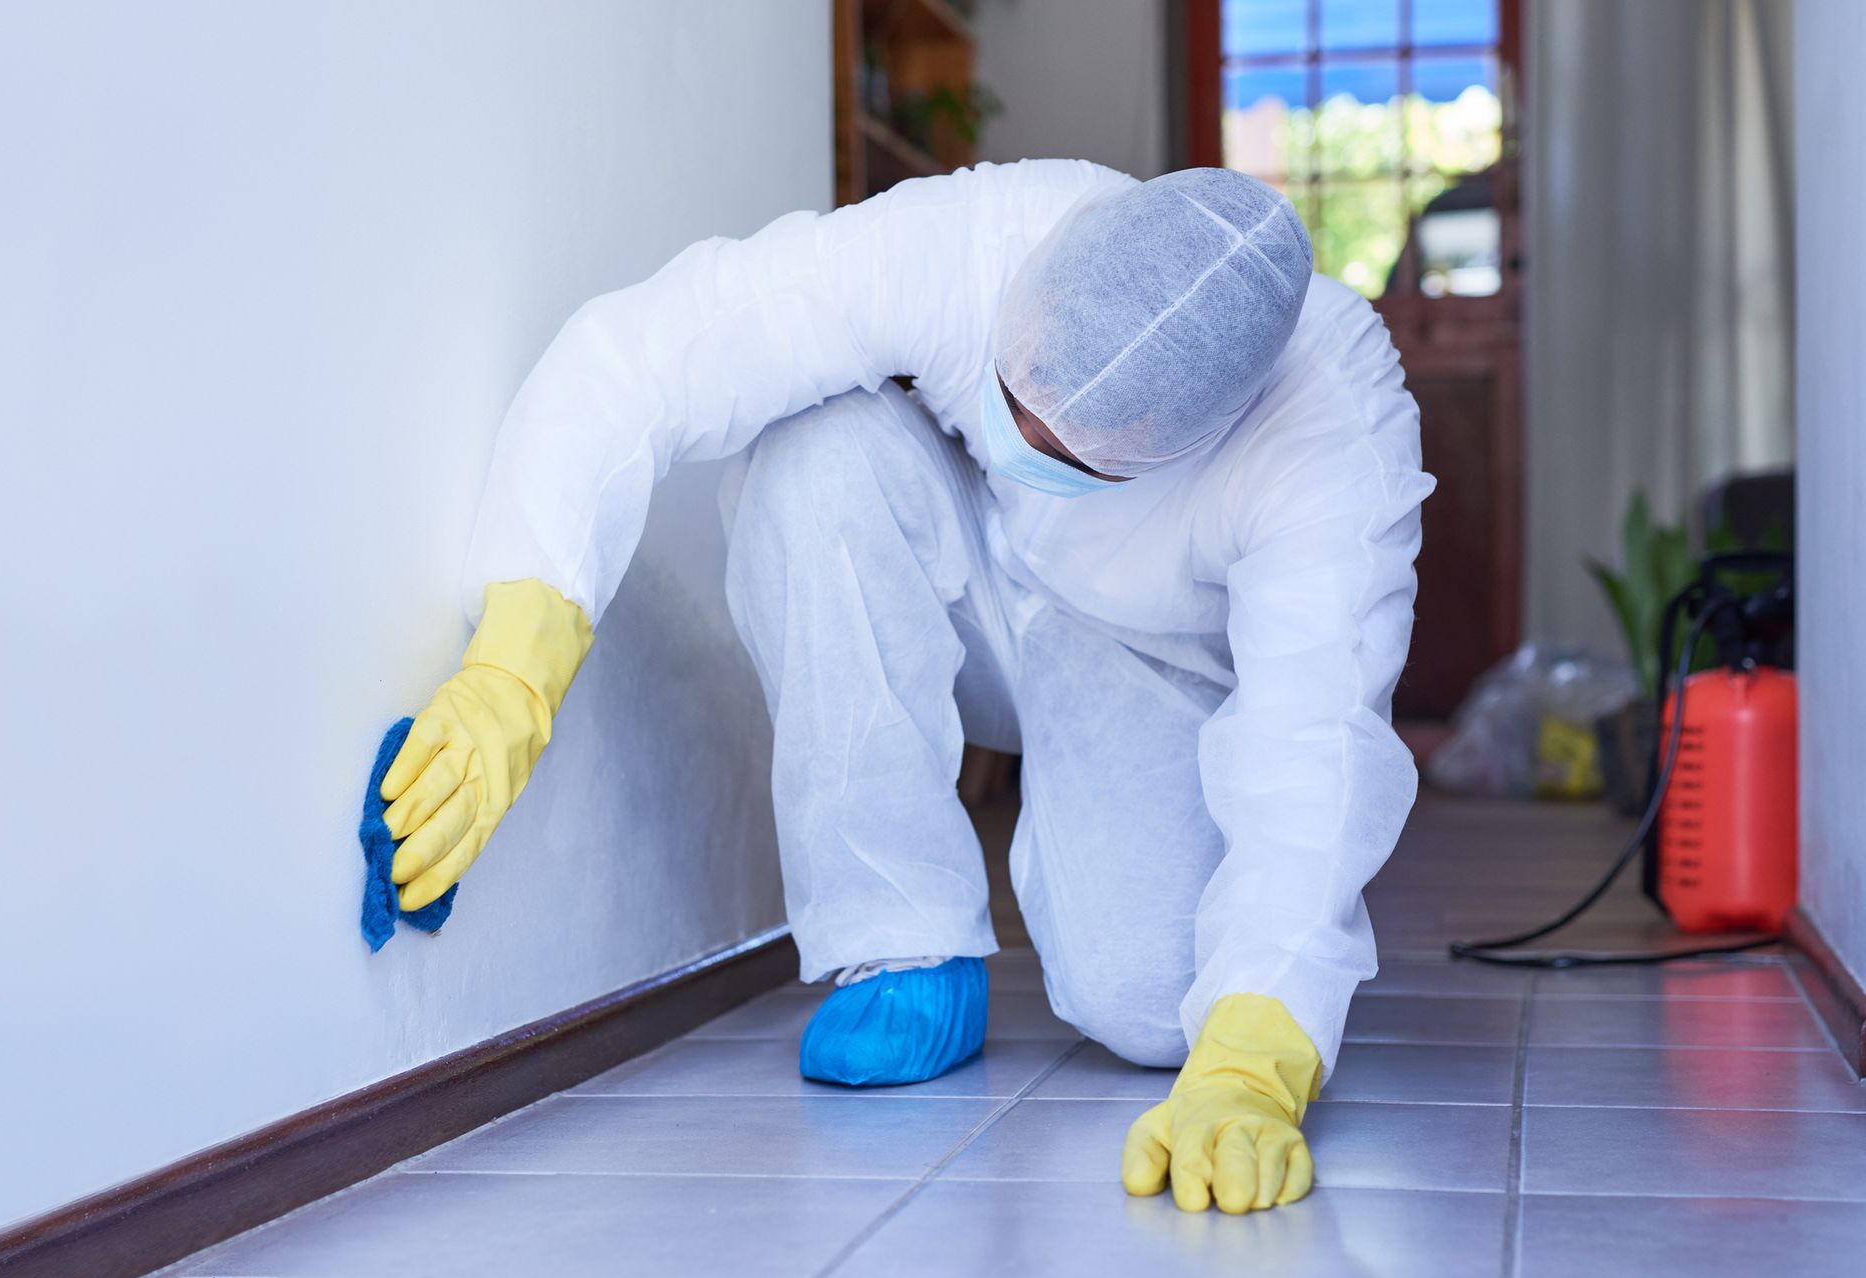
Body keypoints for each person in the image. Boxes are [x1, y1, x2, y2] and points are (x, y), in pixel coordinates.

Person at [376, 159, 1433, 1215]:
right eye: (1017, 399)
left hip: (1148, 663)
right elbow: (656, 351)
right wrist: (517, 660)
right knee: (816, 454)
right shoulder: (977, 235)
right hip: (967, 571)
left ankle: (1201, 1015)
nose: (1024, 445)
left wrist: (1255, 1061)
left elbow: (1316, 747)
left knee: (1155, 1011)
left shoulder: (1334, 435)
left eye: (1075, 450)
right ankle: (900, 940)